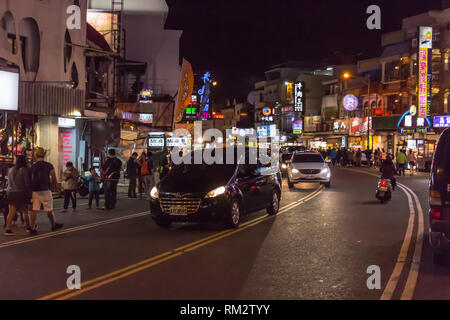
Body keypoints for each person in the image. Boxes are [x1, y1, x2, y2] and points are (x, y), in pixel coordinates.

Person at [29, 147, 63, 234]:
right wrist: (56, 187)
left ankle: (32, 227)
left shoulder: (33, 166)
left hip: (35, 190)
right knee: (49, 209)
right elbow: (54, 177)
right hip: (45, 190)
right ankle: (53, 224)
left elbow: (30, 179)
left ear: (36, 156)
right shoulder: (49, 165)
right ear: (44, 155)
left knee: (34, 209)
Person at [4, 155, 31, 236]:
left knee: (11, 211)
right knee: (25, 211)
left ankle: (8, 229)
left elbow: (8, 182)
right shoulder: (24, 170)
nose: (14, 160)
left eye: (15, 159)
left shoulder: (11, 169)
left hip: (10, 192)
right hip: (20, 192)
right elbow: (27, 183)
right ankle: (29, 227)